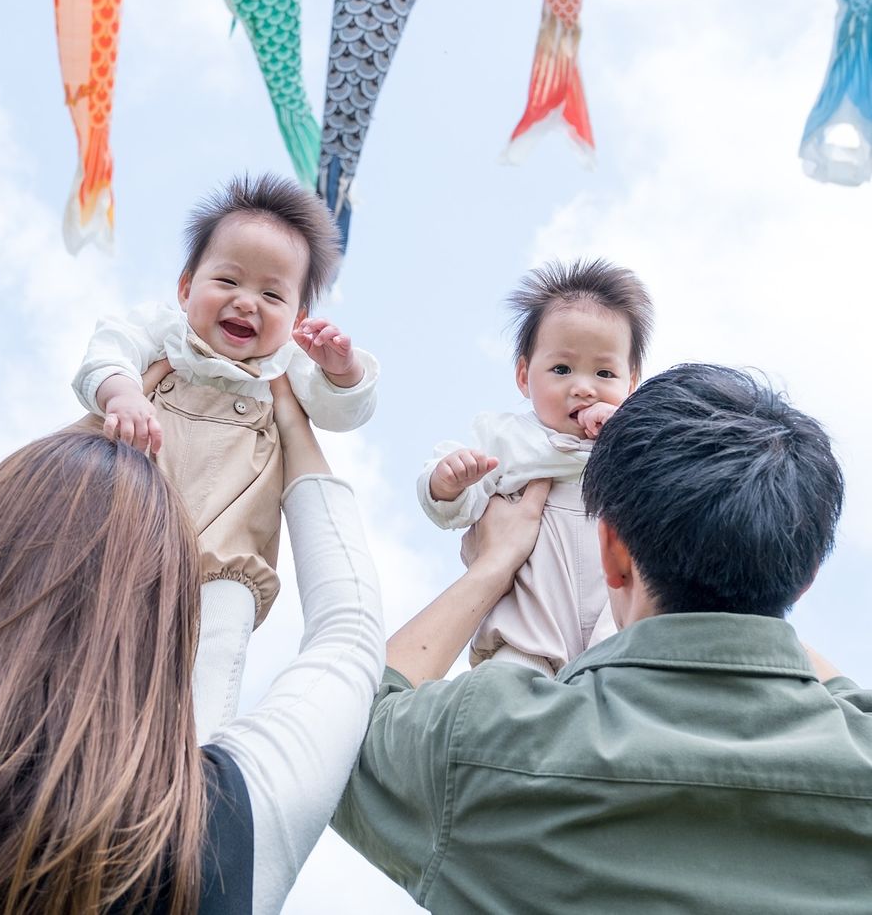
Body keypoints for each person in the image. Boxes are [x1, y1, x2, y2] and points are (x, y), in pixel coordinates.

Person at [0, 382, 383, 915]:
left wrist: (119, 400)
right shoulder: (220, 828)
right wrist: (292, 426)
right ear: (175, 619)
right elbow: (349, 631)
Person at [335, 363, 872, 913]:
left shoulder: (484, 740)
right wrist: (763, 585)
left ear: (611, 551)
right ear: (807, 579)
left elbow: (339, 729)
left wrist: (494, 565)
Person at [72, 173, 379, 734]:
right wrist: (122, 394)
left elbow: (343, 412)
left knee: (214, 647)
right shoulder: (165, 335)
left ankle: (193, 746)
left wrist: (343, 370)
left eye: (272, 295)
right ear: (186, 287)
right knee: (82, 628)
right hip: (121, 522)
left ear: (297, 320)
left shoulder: (287, 369)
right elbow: (108, 350)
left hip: (225, 555)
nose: (246, 302)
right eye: (228, 280)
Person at [417, 258, 652, 673]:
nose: (583, 387)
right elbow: (460, 505)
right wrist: (449, 482)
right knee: (506, 692)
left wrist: (625, 434)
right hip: (526, 638)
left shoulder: (636, 446)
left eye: (604, 372)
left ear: (630, 383)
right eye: (562, 369)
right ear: (525, 376)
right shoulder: (509, 439)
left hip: (616, 642)